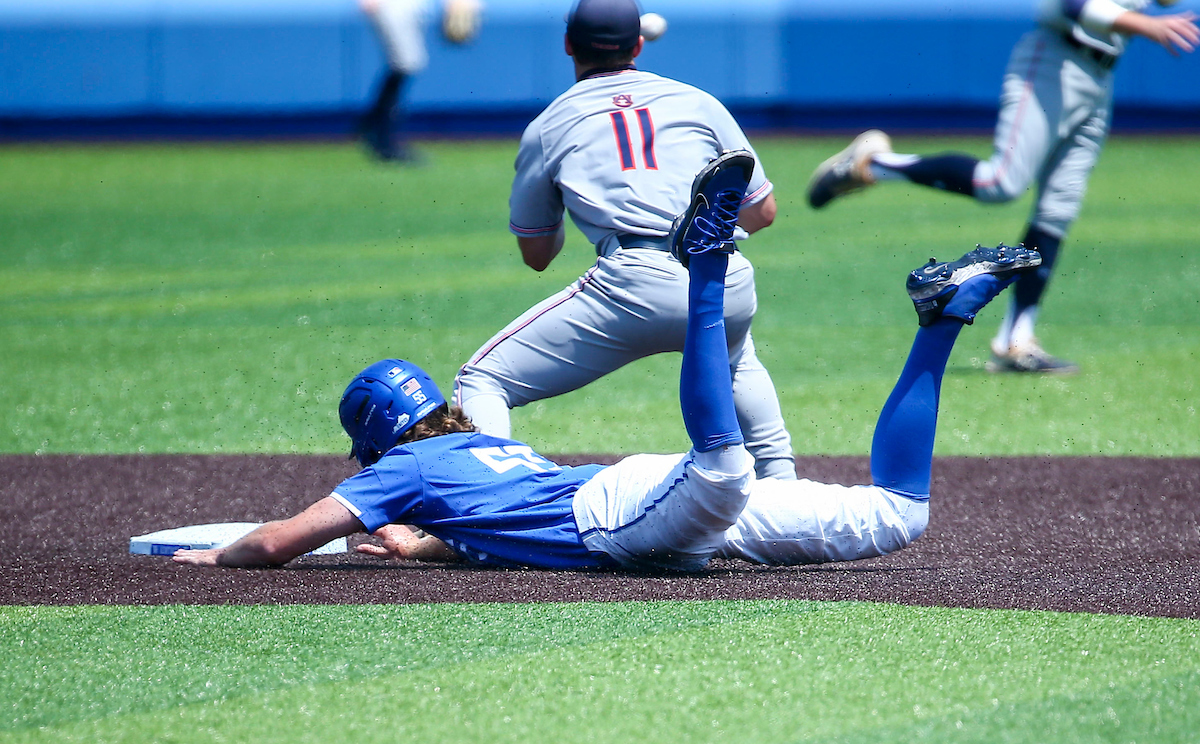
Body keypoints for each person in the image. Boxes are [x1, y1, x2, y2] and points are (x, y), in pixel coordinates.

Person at [173, 152, 1042, 572]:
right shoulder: (465, 452)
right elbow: (490, 521)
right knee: (897, 514)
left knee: (723, 468)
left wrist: (219, 557)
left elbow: (284, 541)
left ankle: (704, 268)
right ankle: (939, 324)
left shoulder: (404, 468)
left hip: (621, 514)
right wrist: (433, 547)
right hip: (642, 509)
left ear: (377, 443)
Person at [452, 0, 796, 482]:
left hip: (632, 283)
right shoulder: (698, 101)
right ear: (638, 45)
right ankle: (783, 489)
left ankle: (495, 506)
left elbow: (537, 254)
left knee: (482, 381)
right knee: (735, 357)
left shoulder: (548, 126)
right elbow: (762, 211)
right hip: (726, 278)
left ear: (568, 44)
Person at [806, 0, 1198, 374]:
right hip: (1055, 60)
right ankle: (876, 162)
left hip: (1100, 75)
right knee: (1000, 182)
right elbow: (1071, 6)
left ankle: (1016, 339)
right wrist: (1146, 25)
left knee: (1058, 211)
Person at [357, 0, 482, 162]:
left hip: (415, 6)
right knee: (405, 63)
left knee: (408, 64)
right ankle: (381, 137)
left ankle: (372, 128)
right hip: (391, 5)